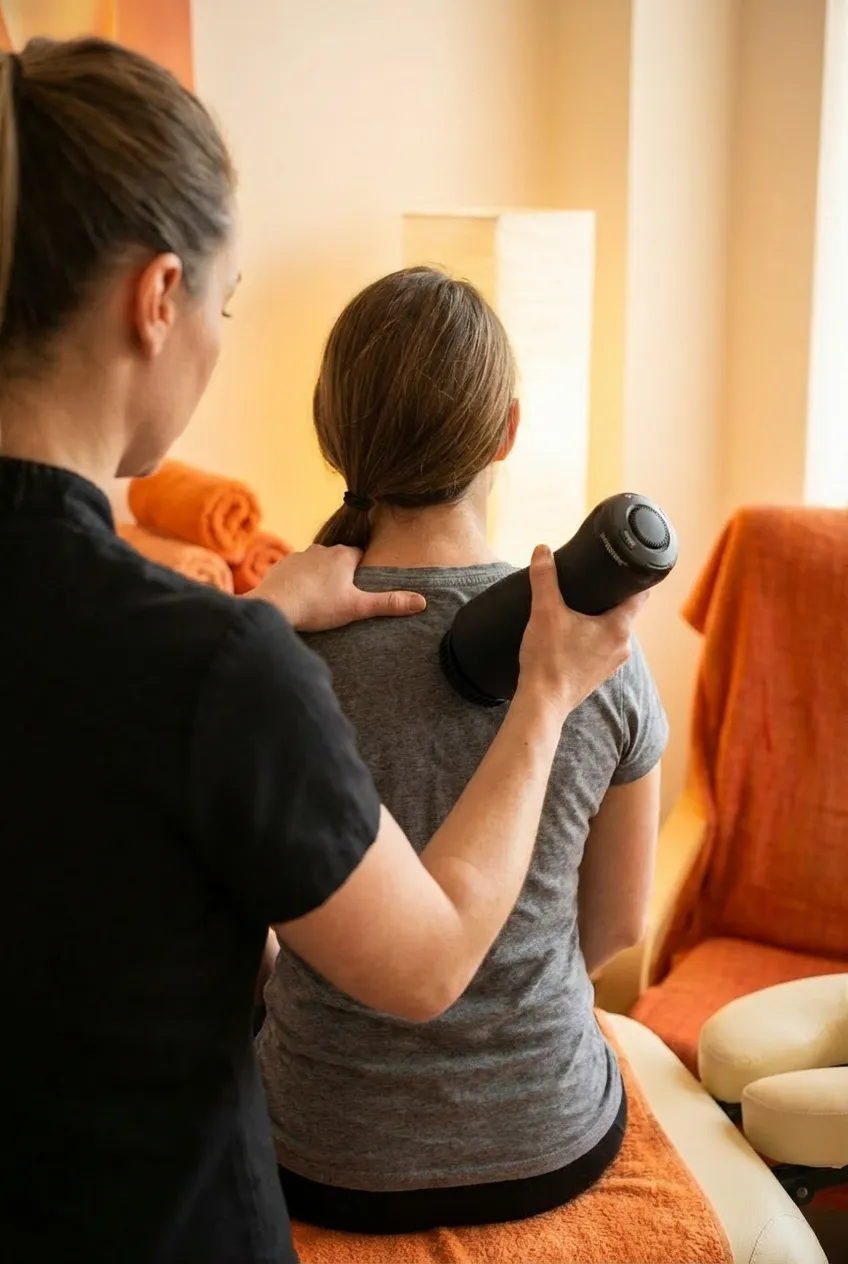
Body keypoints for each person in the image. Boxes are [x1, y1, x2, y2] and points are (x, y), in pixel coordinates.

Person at [0, 39, 642, 1264]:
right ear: (158, 296)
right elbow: (433, 959)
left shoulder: (220, 654)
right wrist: (548, 689)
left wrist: (252, 621)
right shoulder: (212, 671)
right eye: (226, 306)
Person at [257, 266, 668, 1235]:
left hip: (322, 1149)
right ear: (507, 431)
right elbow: (613, 927)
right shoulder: (599, 647)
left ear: (335, 436)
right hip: (548, 1133)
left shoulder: (270, 656)